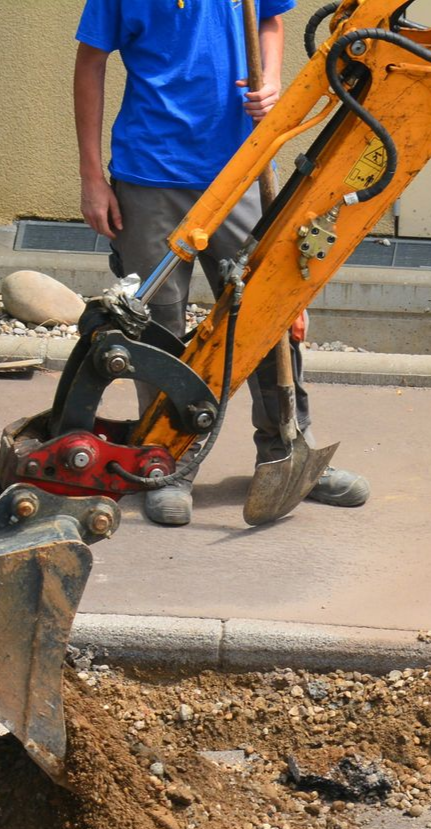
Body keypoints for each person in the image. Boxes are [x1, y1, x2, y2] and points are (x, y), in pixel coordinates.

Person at [73, 0, 369, 526]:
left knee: (265, 312)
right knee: (158, 331)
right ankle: (167, 463)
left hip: (243, 166)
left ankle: (288, 448)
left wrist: (274, 84)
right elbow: (90, 61)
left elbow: (271, 21)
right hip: (150, 175)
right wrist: (92, 177)